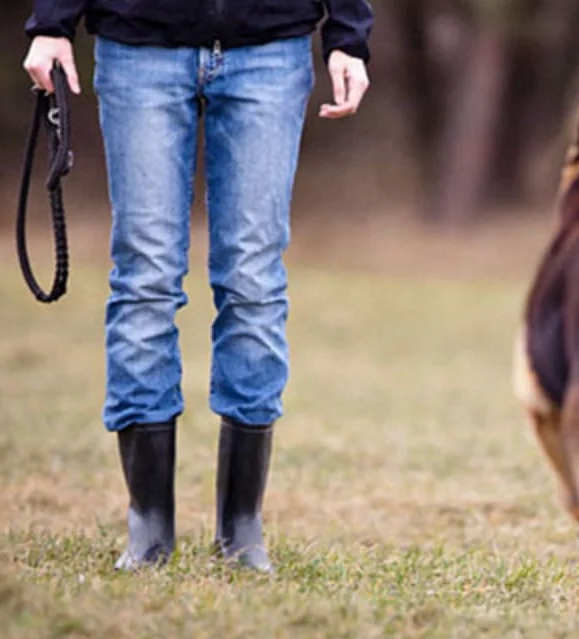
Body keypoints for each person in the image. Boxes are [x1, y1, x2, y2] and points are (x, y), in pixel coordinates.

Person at [22, 1, 372, 573]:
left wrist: (349, 33)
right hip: (139, 46)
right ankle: (150, 524)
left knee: (253, 281)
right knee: (145, 278)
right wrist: (52, 21)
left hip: (271, 46)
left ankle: (241, 525)